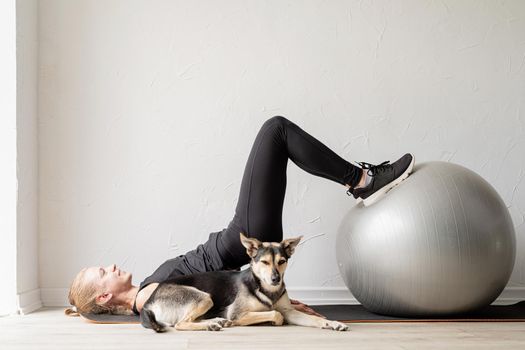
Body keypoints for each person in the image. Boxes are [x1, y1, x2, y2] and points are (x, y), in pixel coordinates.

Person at [65, 116, 414, 318]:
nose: (109, 266)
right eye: (102, 273)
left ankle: (360, 180)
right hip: (245, 239)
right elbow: (213, 297)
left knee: (278, 137)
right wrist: (272, 298)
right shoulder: (147, 298)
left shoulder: (147, 293)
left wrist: (272, 296)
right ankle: (362, 180)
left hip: (247, 243)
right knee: (275, 130)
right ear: (104, 298)